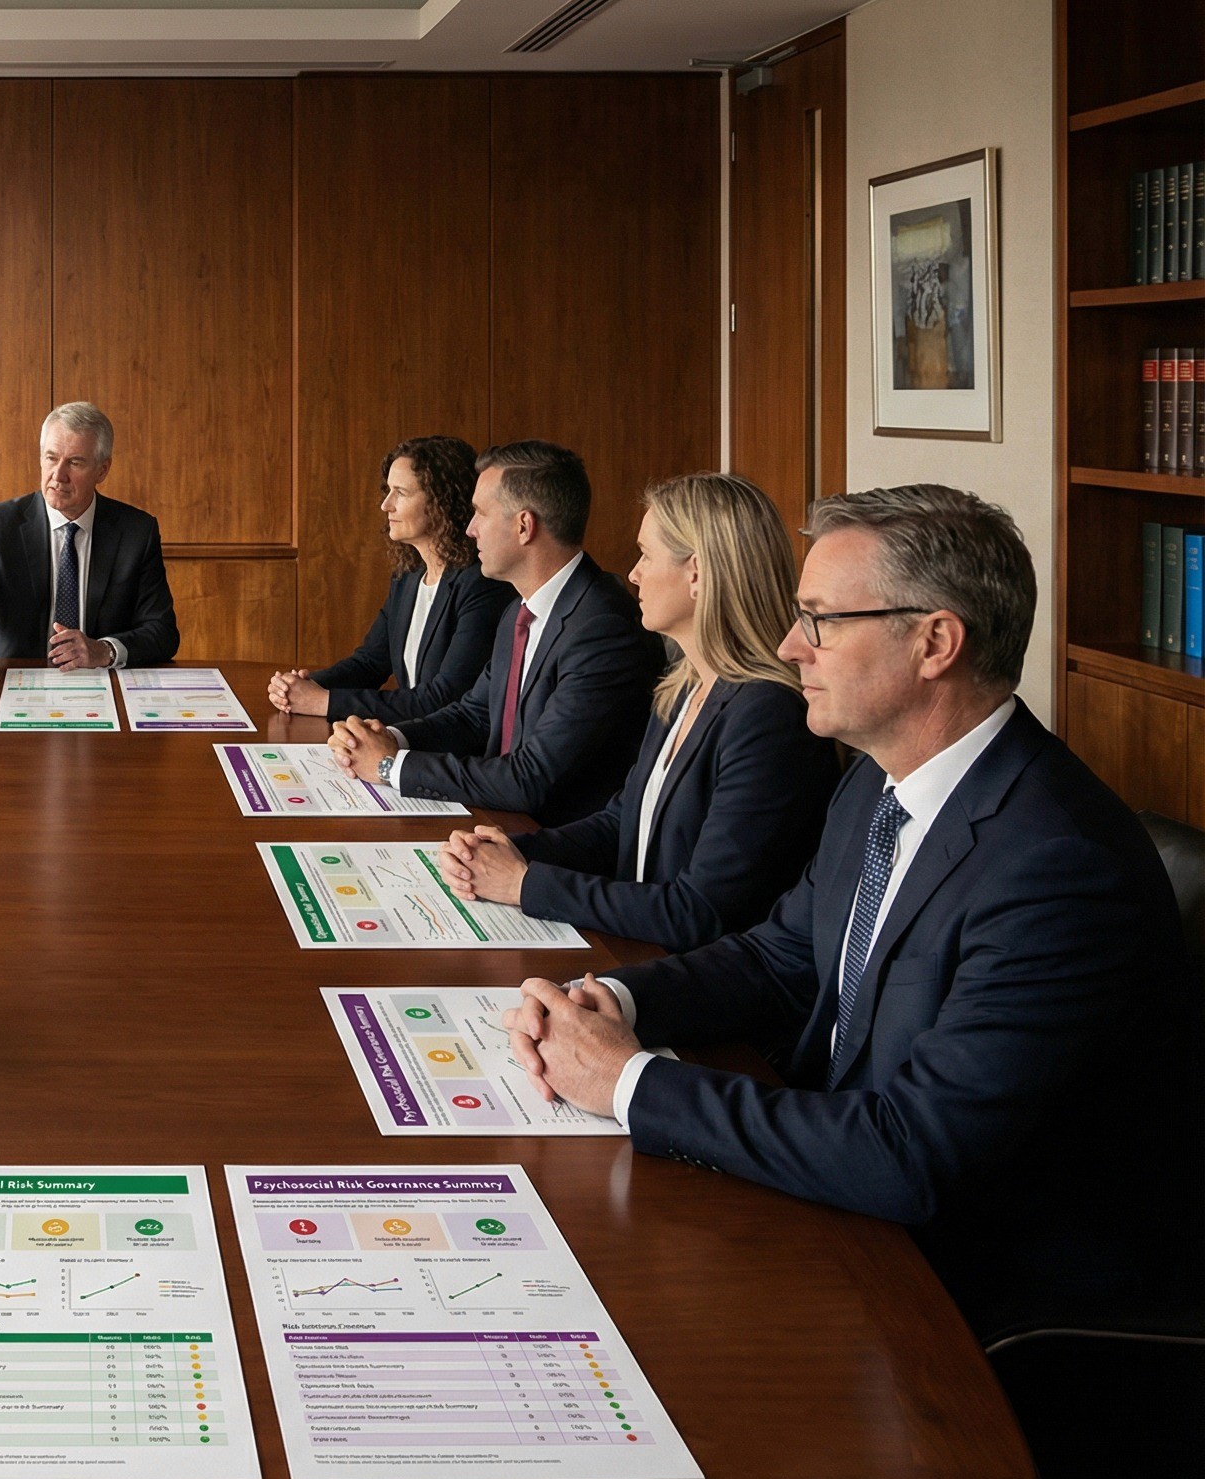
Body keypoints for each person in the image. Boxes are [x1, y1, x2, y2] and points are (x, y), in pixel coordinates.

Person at [500, 485, 1201, 1344]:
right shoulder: (878, 776)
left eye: (822, 620)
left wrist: (625, 1080)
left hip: (969, 1296)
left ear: (935, 642)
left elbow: (911, 1153)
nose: (792, 645)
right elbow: (781, 955)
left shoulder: (1059, 865)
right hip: (835, 1195)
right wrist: (613, 1003)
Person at [437, 472, 839, 949]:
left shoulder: (769, 717)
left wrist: (525, 883)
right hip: (631, 945)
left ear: (698, 572)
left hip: (686, 983)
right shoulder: (683, 685)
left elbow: (700, 911)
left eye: (646, 555)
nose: (632, 574)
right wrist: (507, 851)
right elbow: (620, 823)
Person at [328, 441, 662, 823]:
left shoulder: (604, 628)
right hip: (496, 822)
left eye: (480, 514)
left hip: (556, 847)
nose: (469, 530)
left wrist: (391, 767)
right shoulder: (518, 611)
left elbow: (531, 778)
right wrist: (388, 738)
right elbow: (473, 716)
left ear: (524, 526)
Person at [0, 401, 179, 685]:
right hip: (13, 682)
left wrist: (103, 650)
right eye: (51, 458)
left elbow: (162, 631)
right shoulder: (1, 523)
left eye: (75, 462)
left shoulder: (136, 532)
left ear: (102, 470)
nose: (58, 475)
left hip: (99, 685)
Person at [268, 434, 513, 721]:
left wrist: (323, 702)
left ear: (442, 501)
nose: (386, 505)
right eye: (388, 491)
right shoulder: (407, 578)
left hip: (449, 753)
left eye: (401, 492)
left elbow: (444, 698)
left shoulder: (481, 585)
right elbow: (370, 664)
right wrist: (302, 686)